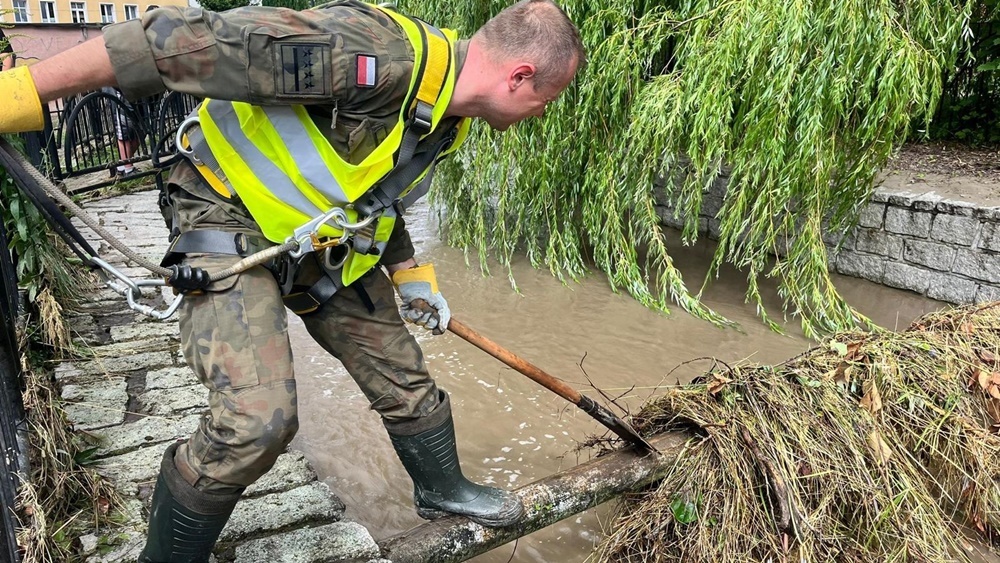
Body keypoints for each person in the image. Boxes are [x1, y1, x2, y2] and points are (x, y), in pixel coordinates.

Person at [0, 0, 584, 560]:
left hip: (314, 238)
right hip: (226, 213)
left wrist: (413, 277)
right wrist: (17, 94)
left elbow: (374, 194)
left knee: (403, 375)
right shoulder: (370, 53)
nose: (543, 114)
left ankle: (443, 489)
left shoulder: (446, 120)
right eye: (546, 100)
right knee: (258, 420)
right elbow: (171, 40)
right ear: (520, 76)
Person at [101, 86, 141, 177]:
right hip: (119, 96)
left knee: (137, 136)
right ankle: (128, 169)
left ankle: (120, 166)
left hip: (133, 96)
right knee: (124, 133)